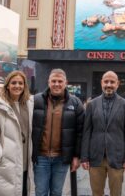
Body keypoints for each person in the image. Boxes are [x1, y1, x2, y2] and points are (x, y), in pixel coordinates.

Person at [81, 71, 125, 196]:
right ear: (101, 83)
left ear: (117, 84)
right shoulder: (92, 105)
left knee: (116, 193)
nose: (109, 85)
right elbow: (87, 132)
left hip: (117, 158)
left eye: (112, 82)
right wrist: (84, 156)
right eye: (106, 82)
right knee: (96, 193)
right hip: (95, 157)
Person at [32, 68, 85, 196]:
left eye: (60, 81)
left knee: (56, 192)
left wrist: (77, 156)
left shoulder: (75, 103)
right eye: (53, 81)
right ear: (48, 82)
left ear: (66, 83)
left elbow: (80, 132)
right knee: (40, 192)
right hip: (41, 157)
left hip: (62, 158)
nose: (57, 84)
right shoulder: (35, 100)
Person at [0, 70, 33, 196]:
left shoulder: (29, 104)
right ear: (7, 85)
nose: (17, 86)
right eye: (13, 83)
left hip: (25, 164)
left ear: (24, 86)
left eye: (20, 83)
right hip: (6, 166)